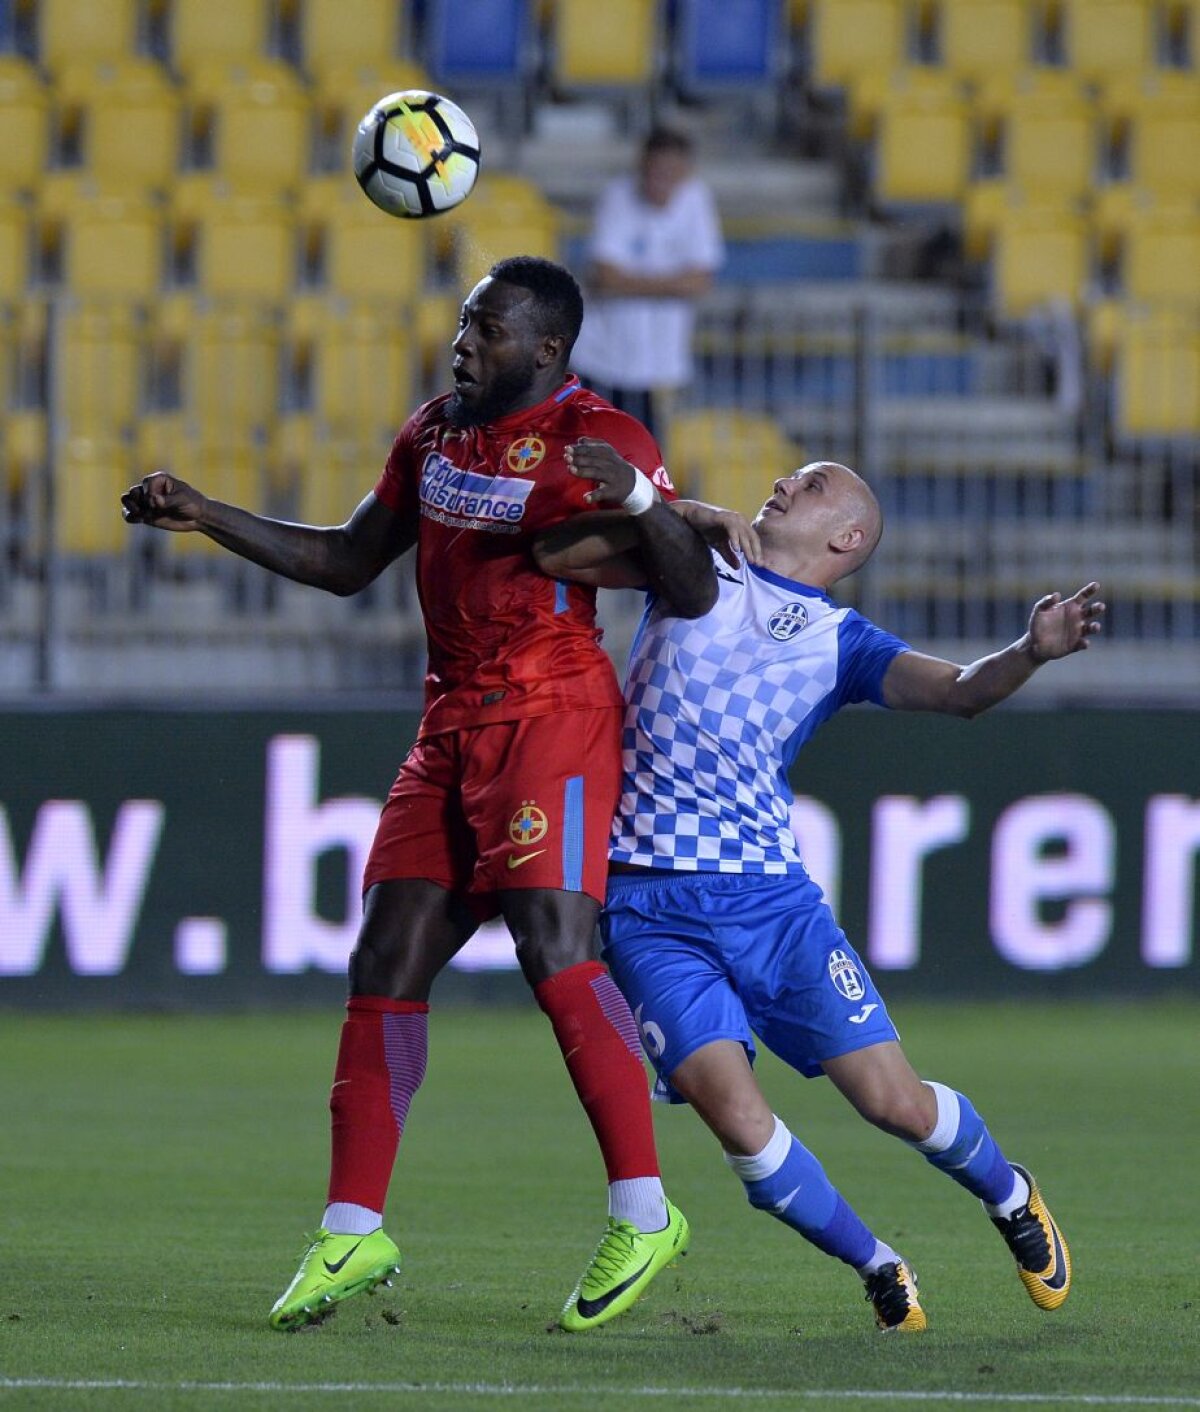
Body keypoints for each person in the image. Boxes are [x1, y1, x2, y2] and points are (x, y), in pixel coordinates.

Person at [120, 258, 717, 1333]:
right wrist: (206, 513)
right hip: (449, 723)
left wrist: (636, 499)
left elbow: (693, 585)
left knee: (554, 943)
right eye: (462, 323)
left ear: (546, 348)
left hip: (553, 717)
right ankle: (353, 1227)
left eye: (486, 330)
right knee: (383, 958)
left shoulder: (605, 440)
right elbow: (352, 559)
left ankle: (646, 1208)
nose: (462, 343)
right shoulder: (437, 431)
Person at [534, 442, 1105, 1332]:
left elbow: (959, 692)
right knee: (736, 1123)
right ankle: (879, 1265)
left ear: (846, 536)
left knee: (893, 1103)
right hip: (648, 908)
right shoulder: (694, 564)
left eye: (812, 484)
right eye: (789, 475)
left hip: (772, 907)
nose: (782, 483)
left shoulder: (843, 643)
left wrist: (1029, 652)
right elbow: (557, 555)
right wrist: (677, 511)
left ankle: (1009, 1194)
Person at [570, 126, 724, 440]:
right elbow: (605, 274)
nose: (661, 181)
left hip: (658, 362)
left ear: (685, 172)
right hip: (601, 356)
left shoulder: (696, 200)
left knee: (642, 455)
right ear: (642, 166)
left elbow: (701, 280)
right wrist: (671, 285)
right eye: (655, 171)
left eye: (671, 173)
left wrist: (631, 284)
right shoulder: (617, 196)